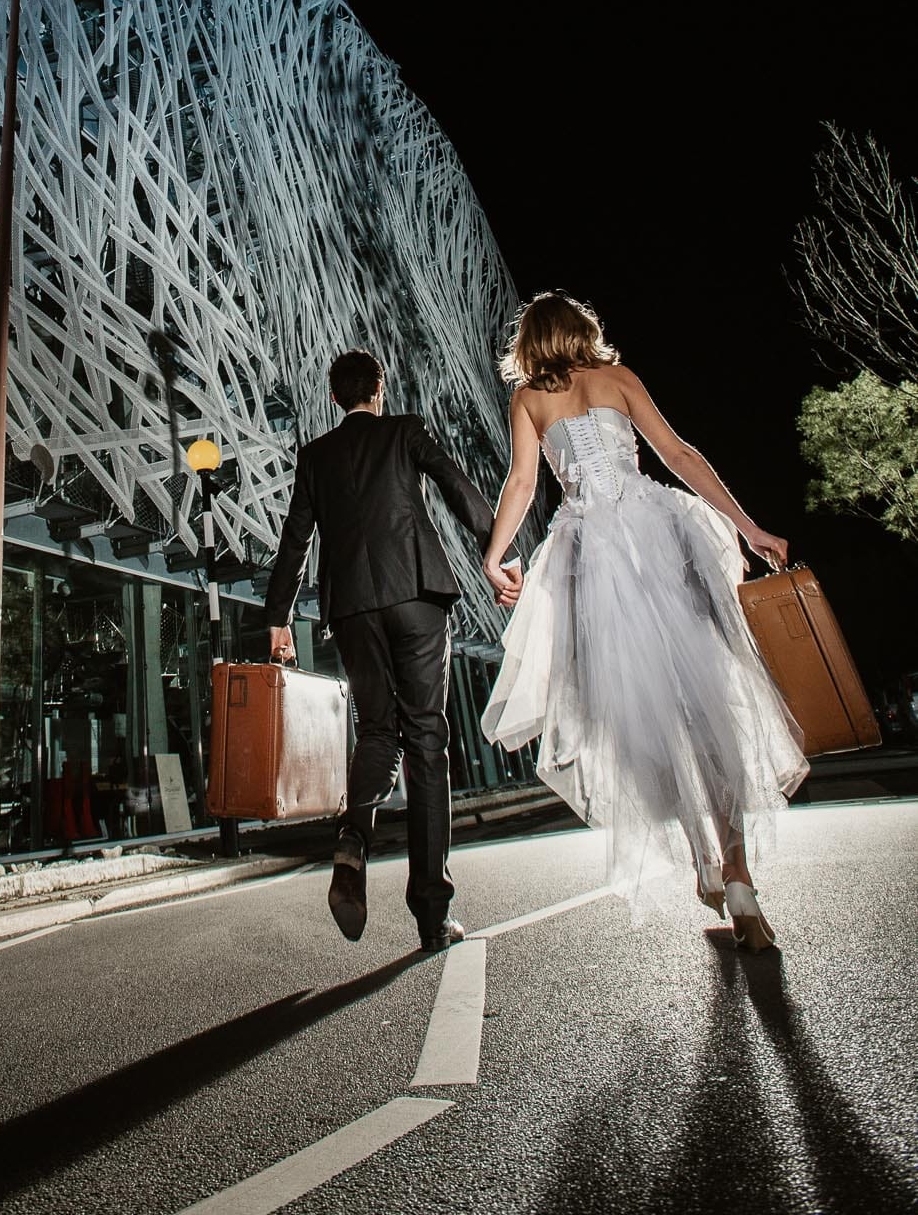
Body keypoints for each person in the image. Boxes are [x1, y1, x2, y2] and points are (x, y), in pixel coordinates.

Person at [480, 293, 809, 951]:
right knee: (705, 703)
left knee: (645, 719)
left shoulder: (529, 402)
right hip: (656, 537)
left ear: (529, 345)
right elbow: (680, 456)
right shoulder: (618, 379)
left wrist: (494, 557)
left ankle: (703, 864)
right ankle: (737, 875)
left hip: (592, 559)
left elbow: (521, 483)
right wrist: (747, 527)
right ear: (582, 332)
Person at [265, 349, 512, 953]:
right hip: (417, 595)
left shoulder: (315, 457)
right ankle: (432, 914)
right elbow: (456, 485)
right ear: (380, 388)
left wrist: (277, 621)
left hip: (352, 609)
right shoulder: (405, 431)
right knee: (427, 740)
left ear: (333, 398)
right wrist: (495, 551)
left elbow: (294, 541)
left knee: (379, 731)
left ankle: (353, 838)